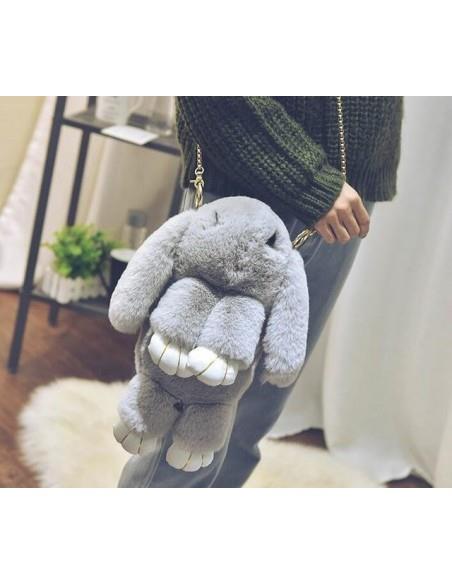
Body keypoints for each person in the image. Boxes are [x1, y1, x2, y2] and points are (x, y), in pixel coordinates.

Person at [118, 96, 403, 488]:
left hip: (346, 190)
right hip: (264, 167)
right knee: (186, 408)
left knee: (250, 416)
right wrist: (310, 181)